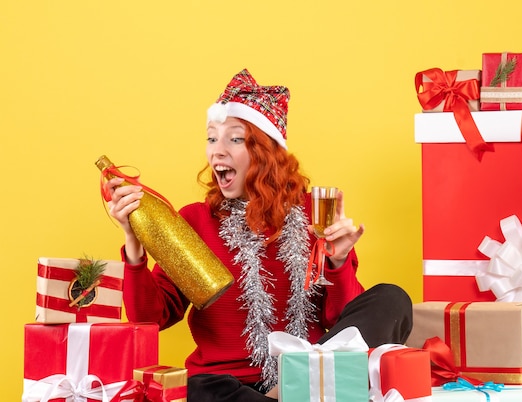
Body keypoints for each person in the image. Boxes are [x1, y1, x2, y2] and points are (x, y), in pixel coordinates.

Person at [104, 69, 413, 402]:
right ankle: (295, 394)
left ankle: (296, 384)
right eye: (211, 138)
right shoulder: (196, 219)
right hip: (232, 388)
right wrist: (134, 243)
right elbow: (151, 318)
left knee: (392, 299)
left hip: (307, 372)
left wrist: (337, 263)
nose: (216, 151)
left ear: (266, 150)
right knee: (199, 387)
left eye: (234, 139)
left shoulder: (314, 215)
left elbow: (341, 325)